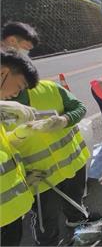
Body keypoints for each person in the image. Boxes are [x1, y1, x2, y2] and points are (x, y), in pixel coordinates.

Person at [7, 74, 92, 246]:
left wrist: (64, 120)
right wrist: (23, 176)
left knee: (75, 203)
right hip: (40, 180)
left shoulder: (48, 88)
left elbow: (79, 107)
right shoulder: (3, 111)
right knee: (46, 221)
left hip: (72, 164)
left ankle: (77, 224)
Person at [0, 50, 39, 246]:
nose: (16, 95)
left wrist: (18, 134)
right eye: (18, 86)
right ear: (3, 73)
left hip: (10, 213)